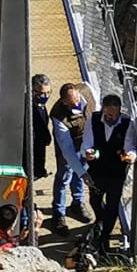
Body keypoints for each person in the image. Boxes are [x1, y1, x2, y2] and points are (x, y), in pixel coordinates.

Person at [82, 94, 136, 252]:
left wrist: (131, 155)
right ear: (103, 110)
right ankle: (100, 222)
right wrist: (87, 152)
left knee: (112, 204)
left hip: (116, 172)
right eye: (108, 114)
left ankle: (104, 234)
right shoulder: (93, 119)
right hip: (97, 169)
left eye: (115, 114)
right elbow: (87, 141)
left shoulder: (127, 123)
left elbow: (130, 145)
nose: (111, 117)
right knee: (95, 200)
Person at [49, 83, 92, 234]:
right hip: (69, 144)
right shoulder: (58, 116)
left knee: (81, 170)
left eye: (77, 99)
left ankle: (77, 203)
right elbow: (67, 150)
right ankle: (58, 214)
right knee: (64, 175)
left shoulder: (86, 95)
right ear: (64, 101)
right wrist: (83, 173)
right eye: (72, 102)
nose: (76, 103)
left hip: (85, 143)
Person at [25, 74, 52, 182]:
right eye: (40, 93)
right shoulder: (26, 106)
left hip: (39, 144)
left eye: (47, 93)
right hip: (29, 147)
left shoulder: (40, 105)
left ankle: (39, 171)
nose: (44, 96)